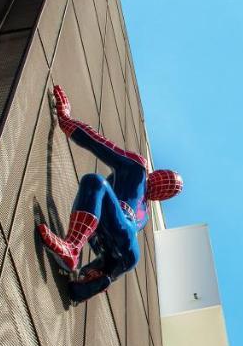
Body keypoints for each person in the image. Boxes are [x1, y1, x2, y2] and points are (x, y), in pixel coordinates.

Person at [37, 85, 183, 301]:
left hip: (119, 242)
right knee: (97, 271)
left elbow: (97, 143)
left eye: (168, 190)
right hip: (124, 253)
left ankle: (73, 250)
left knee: (95, 183)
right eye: (166, 184)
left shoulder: (141, 188)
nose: (163, 189)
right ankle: (90, 280)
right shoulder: (140, 186)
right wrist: (66, 120)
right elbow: (98, 143)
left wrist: (66, 120)